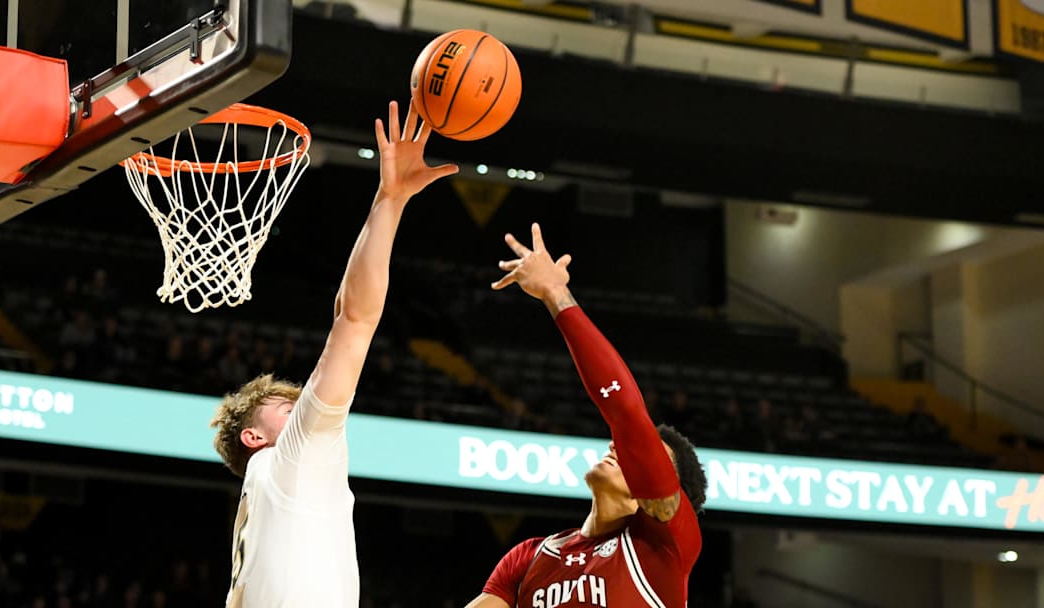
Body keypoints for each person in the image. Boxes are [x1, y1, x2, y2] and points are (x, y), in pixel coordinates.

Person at [208, 100, 458, 607]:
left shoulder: (260, 501)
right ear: (255, 435)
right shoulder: (294, 455)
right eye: (287, 406)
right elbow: (355, 320)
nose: (302, 406)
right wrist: (389, 201)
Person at [466, 224, 708, 608]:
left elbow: (627, 415)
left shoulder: (663, 548)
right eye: (627, 447)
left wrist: (556, 295)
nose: (620, 447)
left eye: (642, 452)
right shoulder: (531, 556)